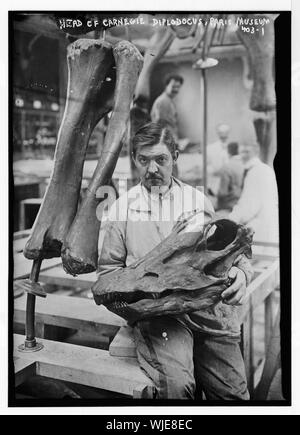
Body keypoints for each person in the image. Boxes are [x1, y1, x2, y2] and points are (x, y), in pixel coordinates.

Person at [97, 122, 253, 400]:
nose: (152, 169)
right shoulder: (120, 209)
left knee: (234, 396)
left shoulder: (197, 202)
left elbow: (228, 253)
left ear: (175, 158)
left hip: (207, 310)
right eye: (144, 160)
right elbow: (108, 274)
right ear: (134, 159)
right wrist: (138, 303)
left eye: (161, 159)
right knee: (179, 389)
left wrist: (242, 274)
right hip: (159, 316)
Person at [229, 141, 279, 245]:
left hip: (260, 230)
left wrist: (229, 221)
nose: (243, 155)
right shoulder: (264, 169)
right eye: (241, 151)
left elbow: (249, 208)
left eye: (246, 151)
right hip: (268, 226)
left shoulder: (255, 172)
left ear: (256, 151)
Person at [150, 74, 183, 143]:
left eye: (178, 87)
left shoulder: (169, 100)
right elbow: (159, 124)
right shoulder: (163, 101)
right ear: (166, 86)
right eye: (173, 86)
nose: (176, 89)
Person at [217, 142, 244, 212]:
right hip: (244, 204)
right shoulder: (246, 165)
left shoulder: (227, 167)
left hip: (231, 206)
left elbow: (223, 193)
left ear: (228, 151)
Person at [207, 123, 231, 202]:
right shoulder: (210, 148)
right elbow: (206, 166)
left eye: (226, 132)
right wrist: (215, 171)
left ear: (228, 133)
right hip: (214, 185)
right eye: (221, 133)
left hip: (229, 187)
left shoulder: (232, 147)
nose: (223, 135)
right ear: (218, 133)